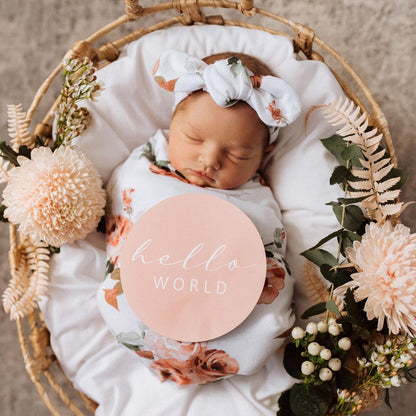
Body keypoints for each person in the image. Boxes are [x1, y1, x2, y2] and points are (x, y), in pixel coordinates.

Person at [98, 49, 301, 386]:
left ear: (264, 154)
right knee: (123, 293)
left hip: (226, 295)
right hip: (151, 285)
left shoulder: (257, 198)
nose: (209, 160)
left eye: (238, 154)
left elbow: (270, 241)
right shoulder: (146, 167)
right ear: (173, 121)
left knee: (265, 314)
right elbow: (122, 202)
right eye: (193, 138)